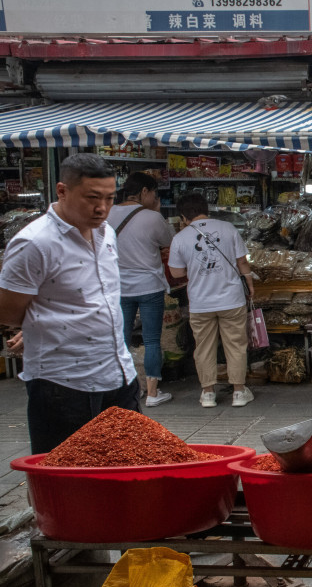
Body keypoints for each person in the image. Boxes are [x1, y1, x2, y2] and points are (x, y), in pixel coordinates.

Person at [0, 153, 140, 454]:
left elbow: (97, 297)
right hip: (63, 384)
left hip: (118, 373)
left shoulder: (107, 233)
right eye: (91, 198)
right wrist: (42, 325)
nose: (101, 208)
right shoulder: (35, 243)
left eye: (109, 198)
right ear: (62, 191)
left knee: (128, 466)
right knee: (65, 478)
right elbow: (9, 310)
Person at [167, 193, 255, 408]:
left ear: (183, 216)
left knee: (203, 347)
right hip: (231, 299)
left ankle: (207, 393)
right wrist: (250, 283)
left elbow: (177, 273)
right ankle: (239, 392)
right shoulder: (228, 229)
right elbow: (242, 261)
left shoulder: (180, 238)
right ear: (206, 208)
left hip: (200, 302)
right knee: (235, 345)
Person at [107, 172, 174, 407]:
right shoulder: (152, 217)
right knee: (152, 339)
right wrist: (155, 211)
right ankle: (153, 393)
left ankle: (124, 389)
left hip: (120, 287)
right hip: (149, 285)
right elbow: (168, 243)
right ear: (145, 192)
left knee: (121, 338)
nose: (156, 199)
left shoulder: (108, 213)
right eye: (155, 194)